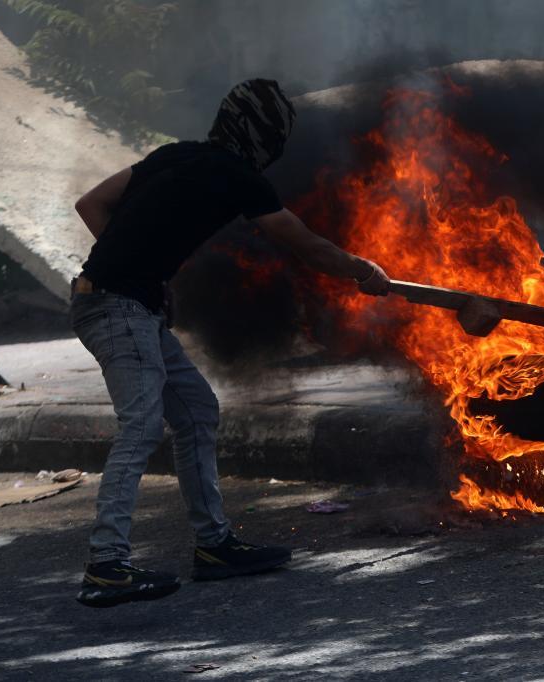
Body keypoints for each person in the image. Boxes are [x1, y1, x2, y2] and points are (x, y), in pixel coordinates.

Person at [71, 78, 390, 608]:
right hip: (116, 307)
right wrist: (363, 270)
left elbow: (92, 205)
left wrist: (141, 269)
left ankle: (214, 546)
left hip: (124, 303)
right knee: (142, 425)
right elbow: (306, 245)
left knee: (197, 411)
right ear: (264, 135)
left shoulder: (177, 154)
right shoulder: (238, 175)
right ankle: (106, 565)